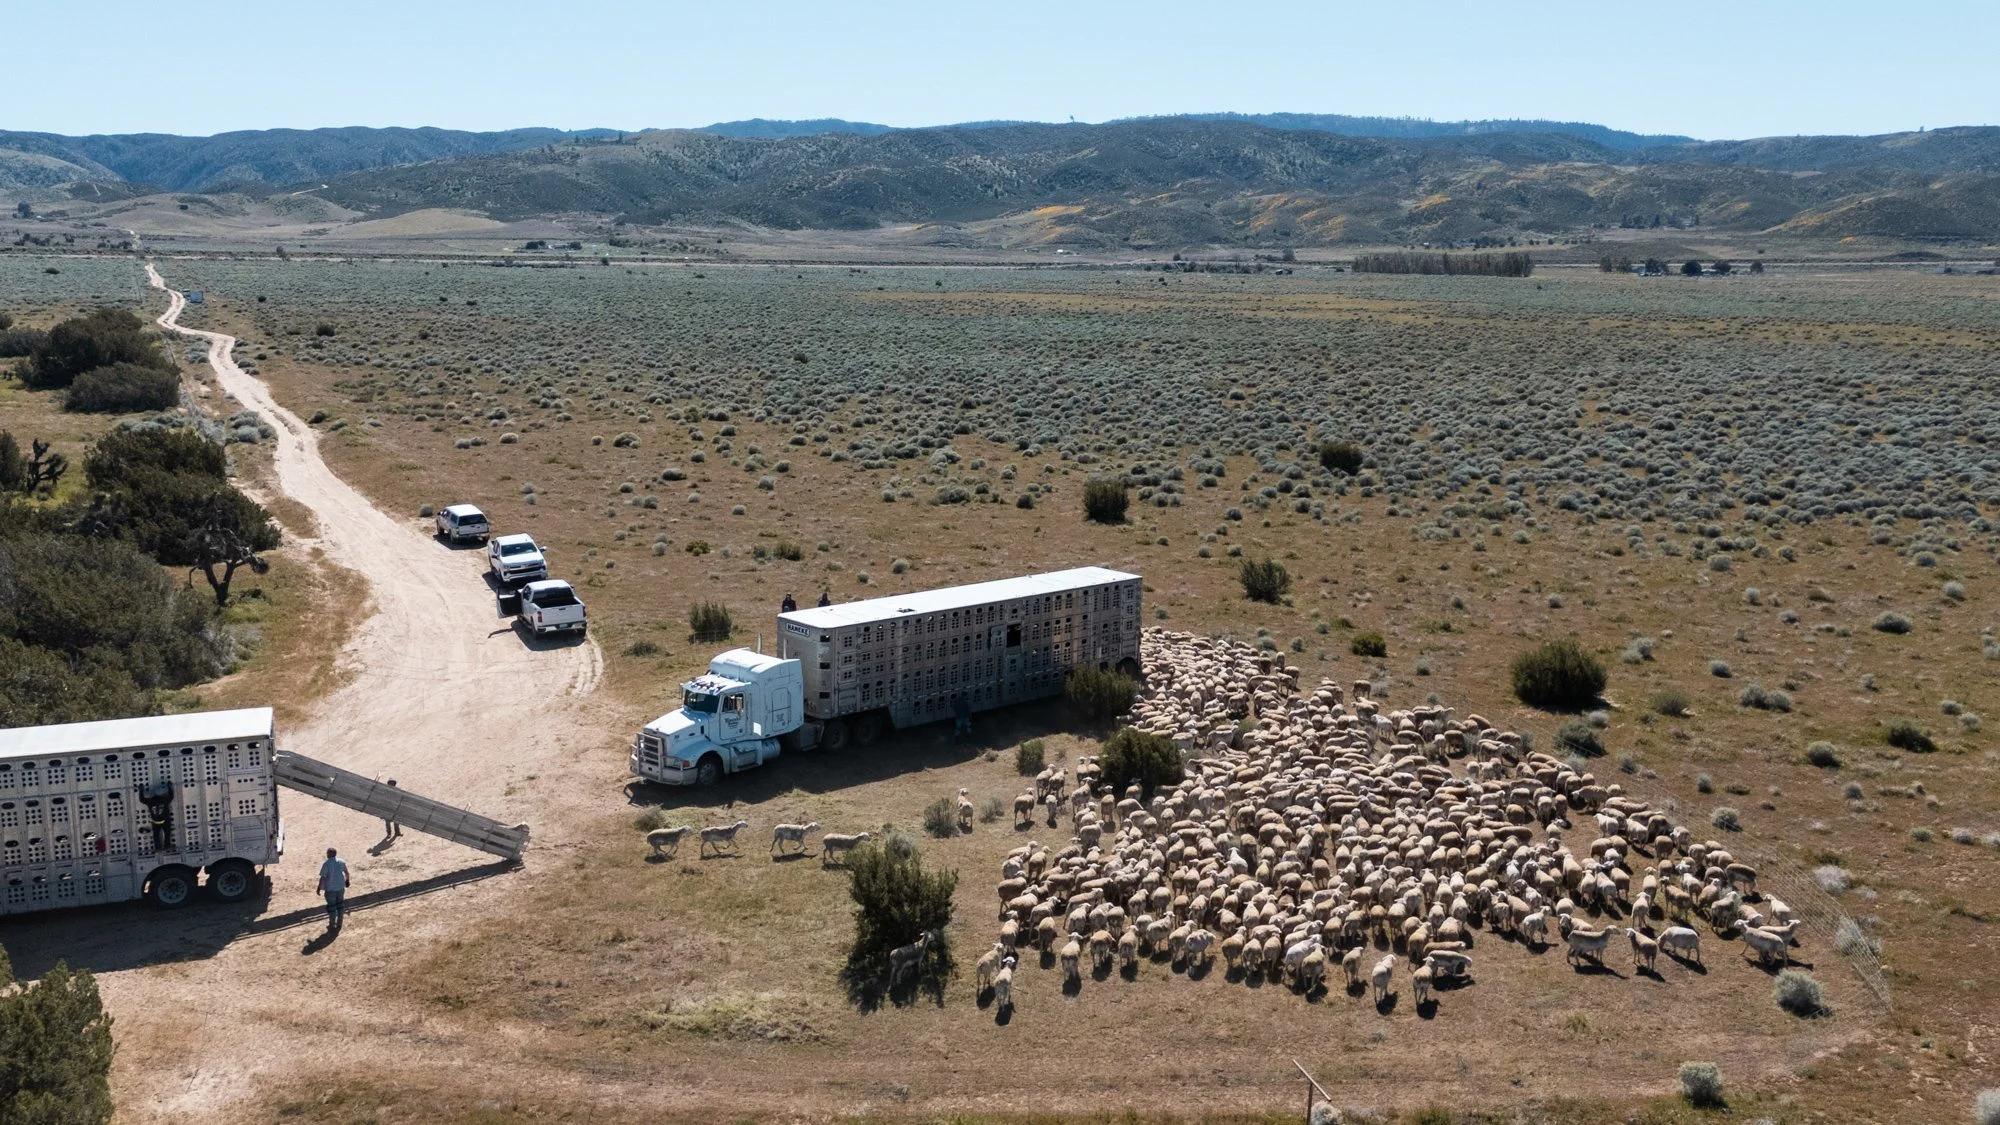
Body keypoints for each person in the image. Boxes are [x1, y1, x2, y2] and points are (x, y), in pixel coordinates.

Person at [317, 846, 350, 930]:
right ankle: (339, 923)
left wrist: (319, 887)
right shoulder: (341, 862)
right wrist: (347, 881)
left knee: (332, 908)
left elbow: (323, 878)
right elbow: (346, 872)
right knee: (340, 906)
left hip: (330, 889)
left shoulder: (326, 864)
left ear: (328, 854)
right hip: (340, 888)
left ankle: (332, 924)